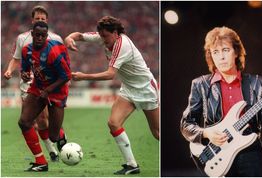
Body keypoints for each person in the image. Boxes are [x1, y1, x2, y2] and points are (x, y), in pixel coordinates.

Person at [180, 26, 262, 177]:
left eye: (225, 50)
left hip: (250, 153)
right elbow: (186, 124)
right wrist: (206, 132)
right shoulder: (200, 85)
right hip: (218, 153)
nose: (221, 57)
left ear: (236, 52)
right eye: (215, 52)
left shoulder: (258, 83)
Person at [64, 16, 159, 175]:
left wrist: (83, 76)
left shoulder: (123, 45)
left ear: (115, 33)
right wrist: (69, 38)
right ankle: (131, 165)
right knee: (114, 123)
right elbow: (79, 36)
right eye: (101, 36)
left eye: (106, 37)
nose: (103, 40)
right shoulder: (103, 37)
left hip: (145, 90)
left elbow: (110, 74)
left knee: (157, 132)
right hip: (129, 89)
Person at [3, 5, 66, 162]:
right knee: (34, 120)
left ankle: (59, 137)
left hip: (49, 85)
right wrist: (10, 70)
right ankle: (51, 152)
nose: (39, 21)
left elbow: (63, 68)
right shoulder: (22, 39)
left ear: (47, 21)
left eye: (42, 19)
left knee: (44, 120)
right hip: (30, 84)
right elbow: (17, 59)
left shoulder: (56, 39)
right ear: (32, 21)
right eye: (37, 18)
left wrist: (58, 87)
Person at [18, 21, 71, 172]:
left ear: (47, 36)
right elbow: (25, 68)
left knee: (53, 137)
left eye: (43, 35)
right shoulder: (26, 50)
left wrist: (48, 90)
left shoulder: (53, 52)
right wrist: (25, 74)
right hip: (38, 88)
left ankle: (60, 134)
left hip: (57, 91)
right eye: (37, 35)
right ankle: (40, 161)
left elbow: (66, 76)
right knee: (24, 122)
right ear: (32, 34)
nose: (40, 38)